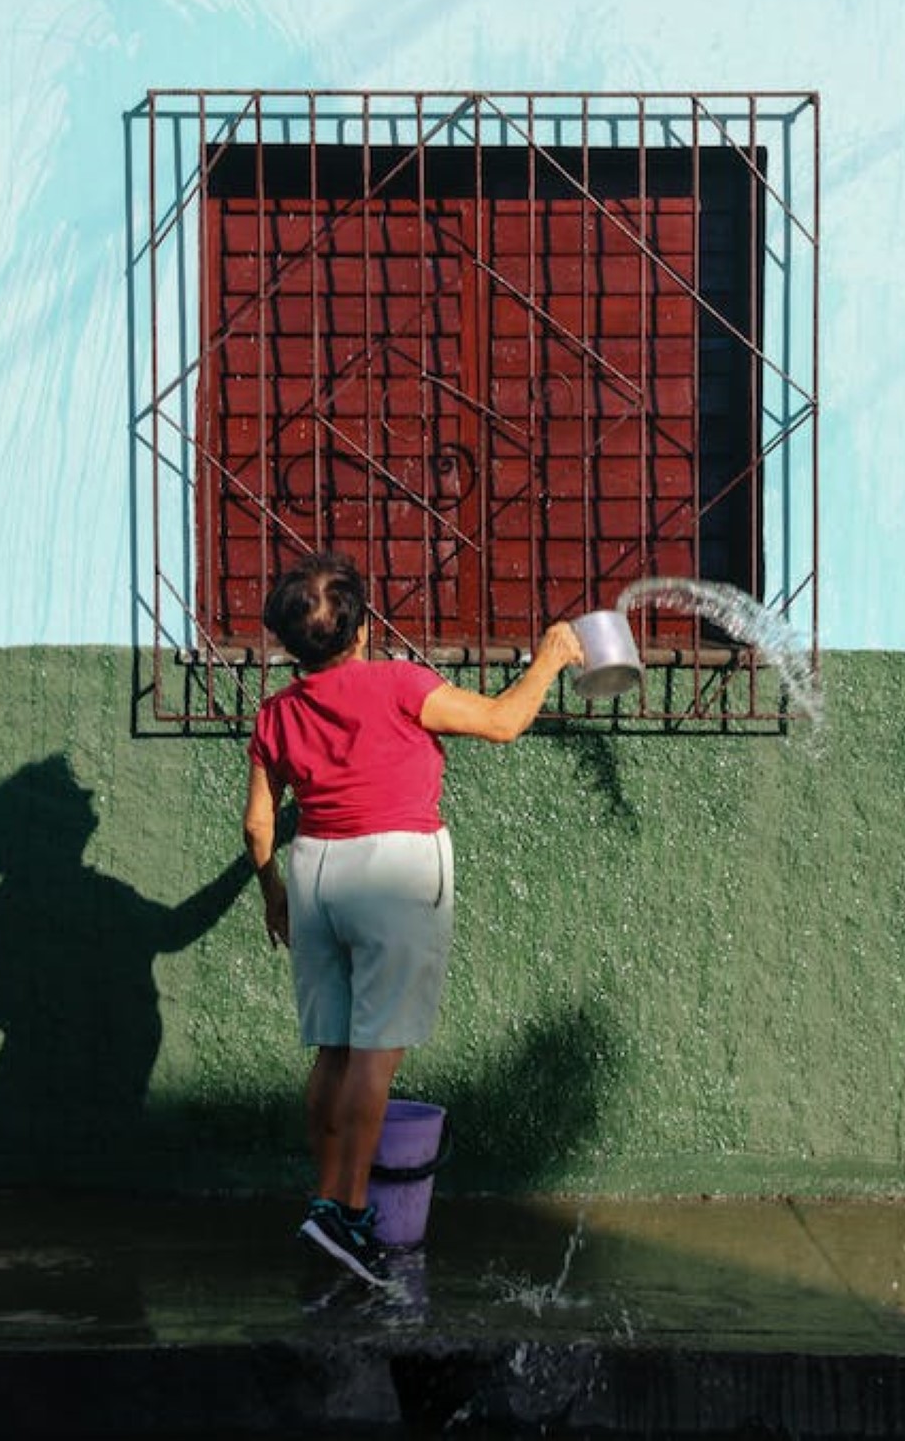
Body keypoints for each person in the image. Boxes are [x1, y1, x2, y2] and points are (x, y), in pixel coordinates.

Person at [243, 551, 583, 1285]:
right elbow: (501, 721)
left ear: (290, 645)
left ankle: (326, 1201)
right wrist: (553, 654)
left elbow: (258, 828)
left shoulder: (276, 712)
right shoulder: (399, 683)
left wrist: (274, 892)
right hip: (394, 872)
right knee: (375, 1053)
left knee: (331, 1048)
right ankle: (351, 1214)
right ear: (361, 631)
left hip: (315, 873)